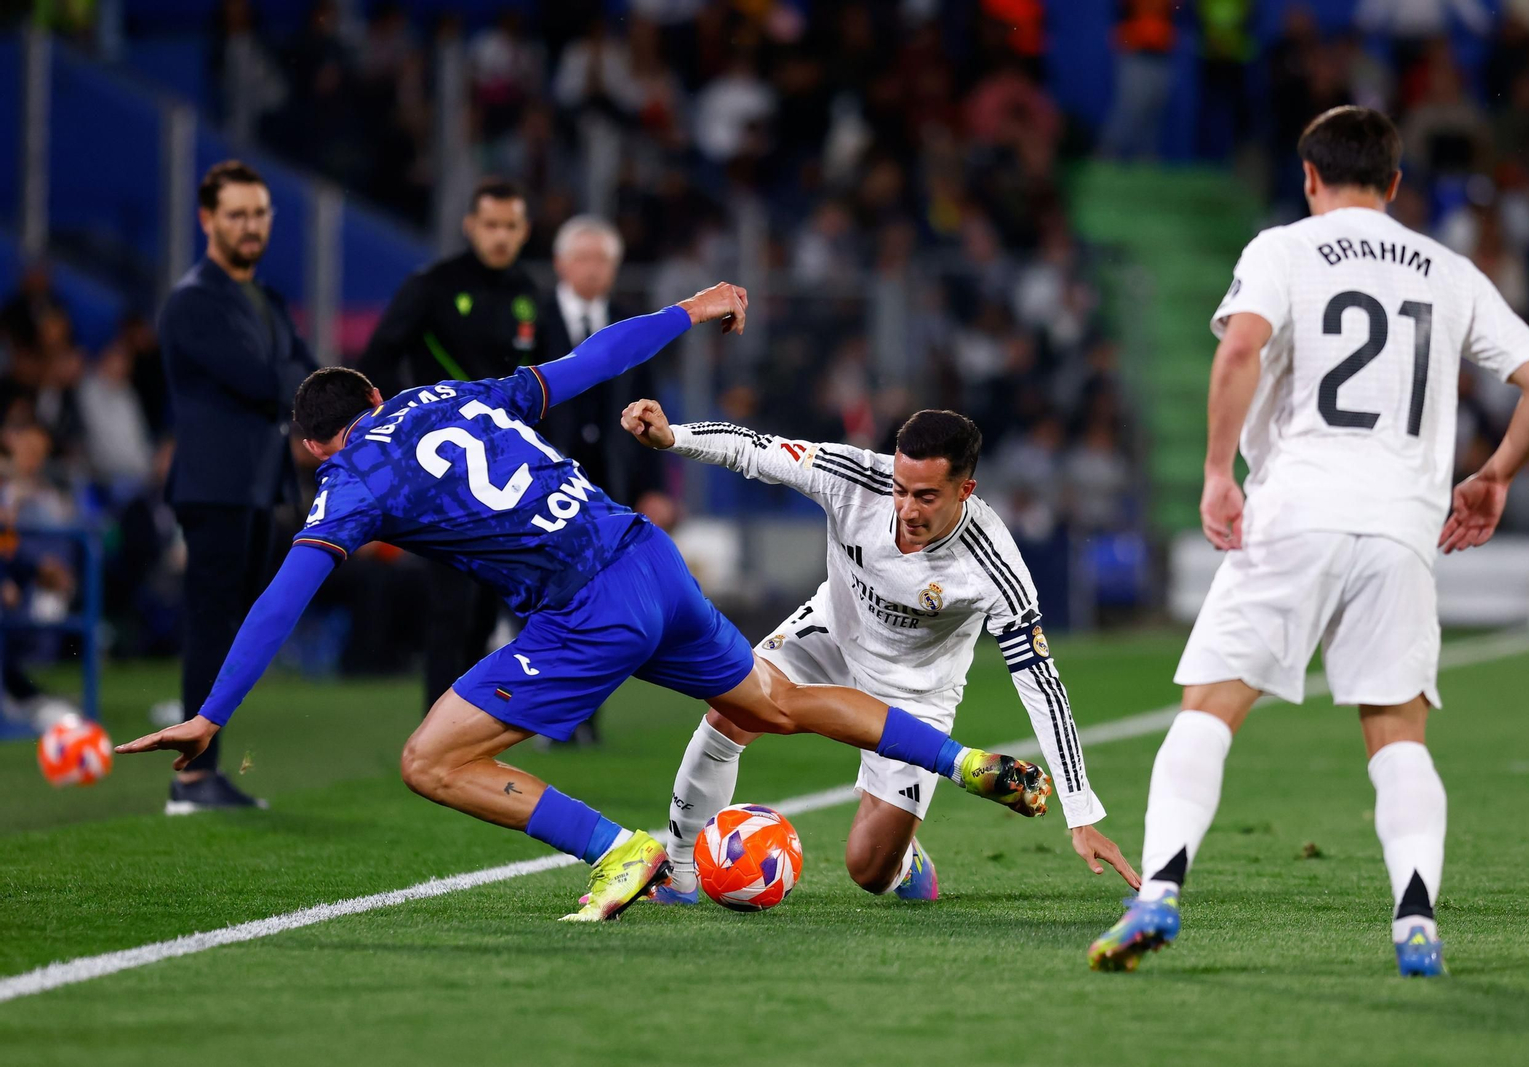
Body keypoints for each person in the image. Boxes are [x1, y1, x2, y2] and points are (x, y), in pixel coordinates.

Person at [115, 286, 1053, 922]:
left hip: (588, 611)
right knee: (775, 702)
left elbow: (284, 595)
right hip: (650, 560)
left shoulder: (346, 479)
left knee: (430, 759)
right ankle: (963, 759)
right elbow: (591, 360)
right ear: (375, 391)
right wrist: (688, 310)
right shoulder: (452, 397)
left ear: (318, 447)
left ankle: (615, 847)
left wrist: (213, 713)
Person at [1087, 107, 1529, 976]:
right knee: (1398, 734)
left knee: (1208, 711)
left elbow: (1240, 349)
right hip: (1402, 527)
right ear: (1394, 183)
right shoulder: (1448, 270)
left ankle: (1158, 893)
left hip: (1296, 511)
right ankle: (1415, 919)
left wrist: (1217, 472)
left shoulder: (1283, 250)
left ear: (1309, 177)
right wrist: (1495, 475)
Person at [620, 401, 1137, 903]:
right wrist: (674, 437)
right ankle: (680, 875)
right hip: (830, 635)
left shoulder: (992, 564)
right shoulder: (853, 477)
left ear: (965, 490)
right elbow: (755, 449)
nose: (908, 509)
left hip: (915, 693)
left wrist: (1080, 812)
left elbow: (1041, 682)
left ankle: (906, 861)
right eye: (900, 489)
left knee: (868, 870)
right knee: (729, 710)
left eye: (927, 496)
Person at [158, 159, 318, 814]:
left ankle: (206, 772)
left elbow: (306, 374)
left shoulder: (267, 300)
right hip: (214, 487)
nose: (250, 226)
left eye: (258, 214)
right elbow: (264, 379)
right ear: (207, 220)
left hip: (255, 486)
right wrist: (296, 380)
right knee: (212, 627)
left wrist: (299, 379)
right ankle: (193, 781)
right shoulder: (193, 300)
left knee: (229, 630)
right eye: (236, 215)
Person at [359, 177, 542, 717]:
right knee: (450, 604)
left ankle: (471, 726)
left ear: (524, 231)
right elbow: (378, 358)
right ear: (470, 226)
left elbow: (551, 376)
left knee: (492, 606)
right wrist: (401, 428)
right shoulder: (432, 287)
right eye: (491, 225)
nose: (500, 236)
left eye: (510, 226)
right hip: (444, 471)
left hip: (511, 470)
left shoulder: (532, 294)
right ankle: (434, 730)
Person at [531, 215, 670, 745]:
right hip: (542, 485)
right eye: (583, 258)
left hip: (611, 487)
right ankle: (546, 712)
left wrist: (655, 487)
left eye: (603, 260)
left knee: (605, 601)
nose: (593, 269)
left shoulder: (630, 327)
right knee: (550, 597)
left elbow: (652, 410)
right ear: (561, 264)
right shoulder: (533, 324)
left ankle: (583, 717)